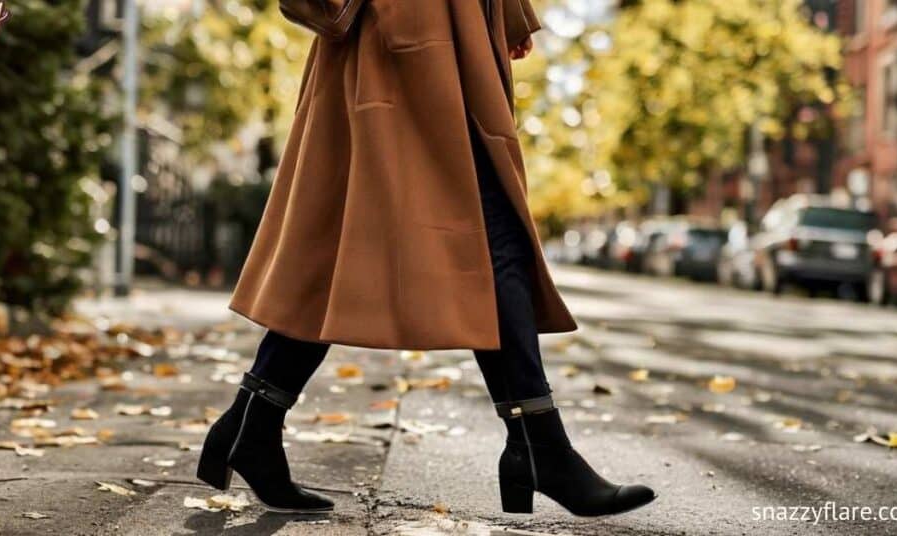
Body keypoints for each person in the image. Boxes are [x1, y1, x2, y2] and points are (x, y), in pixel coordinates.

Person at [197, 0, 656, 517]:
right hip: (398, 45)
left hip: (444, 38)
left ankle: (252, 425)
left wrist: (503, 14)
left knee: (339, 246)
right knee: (487, 238)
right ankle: (539, 445)